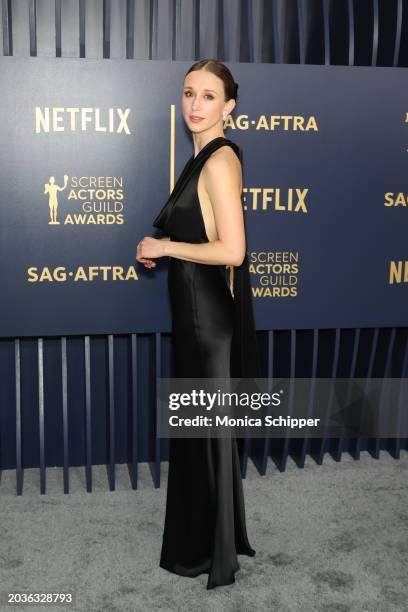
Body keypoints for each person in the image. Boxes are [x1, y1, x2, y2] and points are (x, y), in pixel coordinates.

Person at [136, 59, 260, 589]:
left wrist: (164, 245)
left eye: (209, 96)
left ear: (229, 107)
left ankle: (212, 552)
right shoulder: (199, 156)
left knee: (207, 430)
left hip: (209, 319)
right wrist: (166, 251)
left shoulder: (219, 160)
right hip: (192, 312)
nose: (195, 104)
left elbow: (233, 251)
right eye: (189, 93)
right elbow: (202, 237)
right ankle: (205, 540)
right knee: (200, 430)